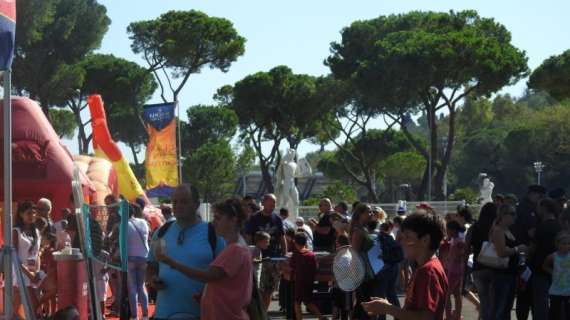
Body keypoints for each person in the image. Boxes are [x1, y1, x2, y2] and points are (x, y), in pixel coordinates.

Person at [155, 198, 253, 320]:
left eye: (218, 218)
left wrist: (170, 262)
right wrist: (207, 295)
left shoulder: (236, 249)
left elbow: (207, 275)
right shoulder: (236, 247)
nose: (213, 222)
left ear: (233, 220)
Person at [146, 184, 225, 319]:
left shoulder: (213, 233)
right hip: (164, 314)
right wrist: (153, 280)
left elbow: (223, 275)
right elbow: (151, 265)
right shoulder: (161, 232)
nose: (178, 205)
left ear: (196, 204)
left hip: (202, 314)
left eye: (184, 201)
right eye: (175, 202)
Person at [361, 212, 448, 320]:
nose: (401, 242)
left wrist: (388, 309)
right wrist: (387, 306)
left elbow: (427, 317)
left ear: (425, 240)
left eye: (407, 237)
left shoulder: (427, 271)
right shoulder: (430, 267)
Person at [244, 193, 287, 310]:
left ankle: (264, 313)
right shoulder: (254, 218)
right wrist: (248, 254)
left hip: (272, 259)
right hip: (257, 259)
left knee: (268, 290)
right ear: (263, 203)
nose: (273, 205)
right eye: (270, 203)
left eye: (274, 203)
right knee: (255, 289)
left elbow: (282, 238)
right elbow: (248, 237)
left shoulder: (277, 219)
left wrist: (284, 255)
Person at [513, 185, 545, 320]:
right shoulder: (528, 209)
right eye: (540, 196)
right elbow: (532, 232)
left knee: (524, 291)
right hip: (527, 253)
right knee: (526, 291)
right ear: (533, 194)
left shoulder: (521, 206)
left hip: (522, 253)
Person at [491, 204, 526, 320]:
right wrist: (517, 249)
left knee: (506, 307)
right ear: (503, 215)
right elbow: (501, 252)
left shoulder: (507, 230)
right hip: (502, 274)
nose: (514, 217)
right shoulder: (498, 230)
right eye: (512, 214)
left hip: (510, 273)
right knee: (500, 308)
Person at [530, 198, 562, 320]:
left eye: (538, 207)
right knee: (557, 302)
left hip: (539, 268)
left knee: (540, 304)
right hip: (558, 268)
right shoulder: (559, 226)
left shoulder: (541, 227)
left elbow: (533, 247)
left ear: (544, 208)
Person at [469, 203, 498, 320]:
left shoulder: (474, 227)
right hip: (494, 267)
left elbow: (467, 248)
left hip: (478, 267)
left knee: (484, 300)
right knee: (494, 301)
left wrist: (464, 270)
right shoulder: (496, 228)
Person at [13, 201, 42, 317]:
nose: (32, 216)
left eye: (34, 213)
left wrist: (37, 271)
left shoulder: (37, 231)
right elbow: (14, 256)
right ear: (21, 214)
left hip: (34, 273)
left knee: (34, 307)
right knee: (19, 308)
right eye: (29, 213)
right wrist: (29, 274)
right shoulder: (16, 231)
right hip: (20, 272)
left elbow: (37, 254)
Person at [291, 232, 324, 320]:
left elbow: (292, 266)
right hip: (309, 281)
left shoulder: (296, 255)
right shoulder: (311, 254)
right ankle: (321, 317)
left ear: (295, 243)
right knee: (308, 302)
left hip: (299, 282)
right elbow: (316, 267)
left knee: (297, 302)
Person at [350, 204, 375, 320]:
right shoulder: (358, 231)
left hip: (368, 270)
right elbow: (354, 254)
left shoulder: (364, 228)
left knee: (363, 303)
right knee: (364, 302)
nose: (371, 214)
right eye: (368, 212)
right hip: (362, 272)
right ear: (360, 214)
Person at [374, 222, 403, 320]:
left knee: (381, 294)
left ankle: (382, 318)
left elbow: (379, 254)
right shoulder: (390, 238)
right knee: (391, 293)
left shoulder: (378, 237)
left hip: (384, 267)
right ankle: (398, 315)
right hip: (394, 267)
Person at [127, 203, 151, 320]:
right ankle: (145, 315)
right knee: (141, 286)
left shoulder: (124, 225)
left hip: (130, 258)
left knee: (132, 288)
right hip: (144, 257)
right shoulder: (143, 223)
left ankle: (135, 316)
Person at [543, 231, 570, 320]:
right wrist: (552, 272)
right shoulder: (552, 257)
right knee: (554, 313)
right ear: (557, 244)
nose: (566, 246)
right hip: (556, 290)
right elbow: (545, 266)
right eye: (564, 244)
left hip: (568, 290)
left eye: (568, 244)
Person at [444, 221, 466, 320]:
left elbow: (461, 254)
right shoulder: (455, 240)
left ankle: (449, 317)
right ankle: (457, 316)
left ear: (453, 230)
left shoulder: (458, 241)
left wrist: (452, 258)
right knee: (457, 294)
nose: (446, 231)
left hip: (454, 270)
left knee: (446, 295)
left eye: (447, 229)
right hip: (457, 269)